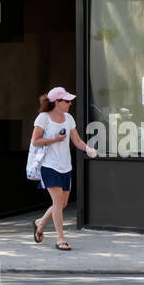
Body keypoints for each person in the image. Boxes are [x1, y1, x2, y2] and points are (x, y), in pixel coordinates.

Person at [30, 86, 97, 250]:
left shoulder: (68, 118)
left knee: (63, 203)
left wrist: (88, 149)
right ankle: (60, 238)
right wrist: (55, 139)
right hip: (49, 165)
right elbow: (35, 141)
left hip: (65, 166)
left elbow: (77, 141)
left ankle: (40, 222)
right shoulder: (43, 118)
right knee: (58, 202)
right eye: (67, 101)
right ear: (57, 102)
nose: (70, 103)